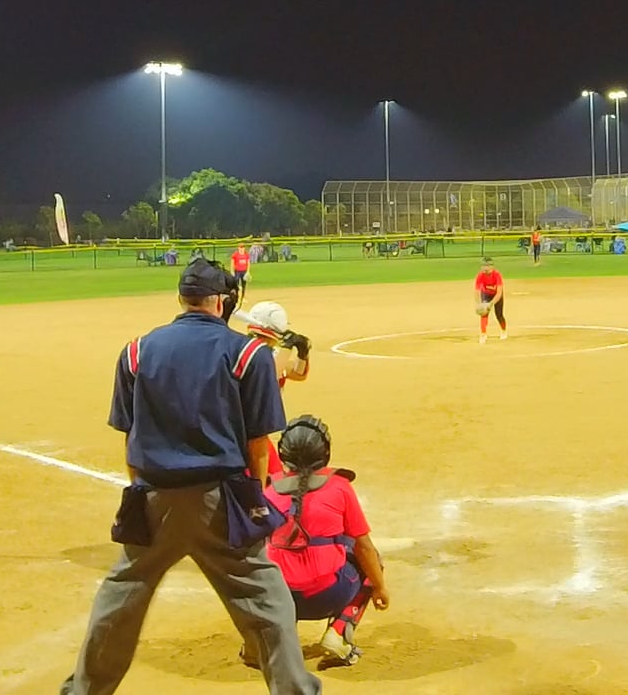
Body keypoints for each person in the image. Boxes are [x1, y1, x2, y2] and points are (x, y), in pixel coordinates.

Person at [59, 259, 318, 695]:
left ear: (181, 299)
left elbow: (130, 436)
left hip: (154, 495)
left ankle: (84, 691)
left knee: (121, 595)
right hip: (220, 500)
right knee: (266, 598)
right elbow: (258, 444)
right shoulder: (248, 354)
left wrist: (142, 491)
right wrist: (252, 500)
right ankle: (294, 689)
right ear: (220, 302)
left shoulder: (136, 351)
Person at [259, 417, 389, 668]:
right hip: (329, 596)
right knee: (369, 559)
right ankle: (339, 633)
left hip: (279, 601)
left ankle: (266, 638)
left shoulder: (269, 492)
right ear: (325, 453)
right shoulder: (339, 487)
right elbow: (364, 547)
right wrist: (380, 588)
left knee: (271, 557)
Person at [475, 257, 506, 342]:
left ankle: (503, 330)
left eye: (487, 265)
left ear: (492, 266)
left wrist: (491, 304)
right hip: (486, 294)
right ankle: (483, 334)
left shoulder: (497, 275)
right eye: (484, 266)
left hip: (496, 295)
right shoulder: (480, 275)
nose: (485, 268)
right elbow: (477, 291)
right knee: (484, 314)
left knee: (499, 315)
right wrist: (479, 303)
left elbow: (499, 293)